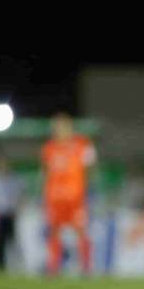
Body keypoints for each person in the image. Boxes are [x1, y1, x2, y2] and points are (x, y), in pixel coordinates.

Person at [41, 112, 97, 275]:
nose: (59, 130)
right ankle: (53, 267)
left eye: (63, 126)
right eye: (57, 127)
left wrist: (89, 188)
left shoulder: (82, 144)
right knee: (54, 231)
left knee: (81, 230)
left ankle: (86, 267)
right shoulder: (49, 147)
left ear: (70, 127)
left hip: (75, 196)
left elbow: (91, 167)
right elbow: (46, 171)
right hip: (55, 197)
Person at [0, 156, 24, 268]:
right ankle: (0, 263)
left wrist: (18, 209)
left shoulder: (15, 180)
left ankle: (14, 264)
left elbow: (20, 196)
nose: (4, 169)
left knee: (12, 240)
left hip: (11, 214)